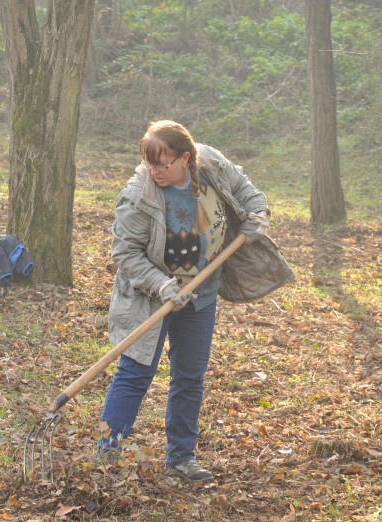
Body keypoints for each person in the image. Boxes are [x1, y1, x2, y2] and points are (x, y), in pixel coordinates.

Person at [99, 120, 293, 483]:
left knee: (189, 378)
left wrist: (257, 213)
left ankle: (181, 458)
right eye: (148, 162)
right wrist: (161, 285)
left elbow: (245, 188)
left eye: (162, 163)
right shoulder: (139, 193)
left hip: (201, 296)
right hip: (150, 297)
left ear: (186, 158)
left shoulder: (212, 165)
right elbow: (125, 254)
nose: (153, 170)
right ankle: (106, 458)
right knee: (135, 373)